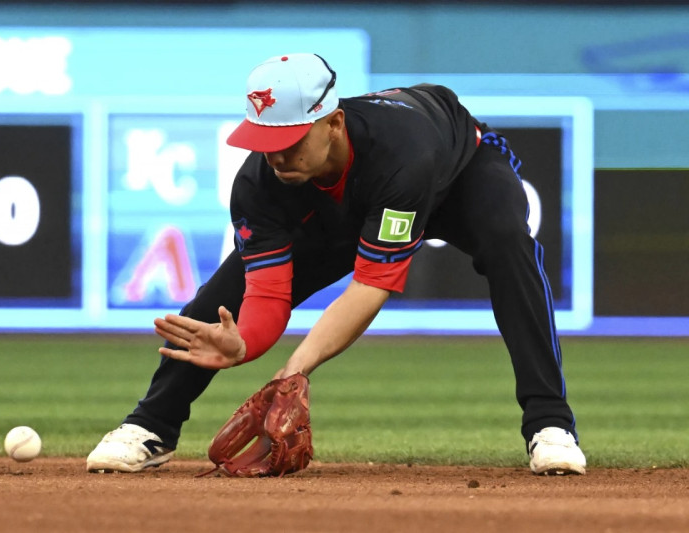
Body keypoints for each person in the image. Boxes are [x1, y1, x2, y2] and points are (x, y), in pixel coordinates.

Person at [86, 53, 586, 476]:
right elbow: (267, 295)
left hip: (458, 172)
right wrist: (243, 344)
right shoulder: (261, 184)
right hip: (338, 205)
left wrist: (293, 371)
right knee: (214, 303)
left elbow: (371, 287)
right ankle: (151, 426)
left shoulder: (402, 152)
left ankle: (550, 424)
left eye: (291, 139)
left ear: (334, 123)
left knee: (508, 245)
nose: (276, 155)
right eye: (265, 140)